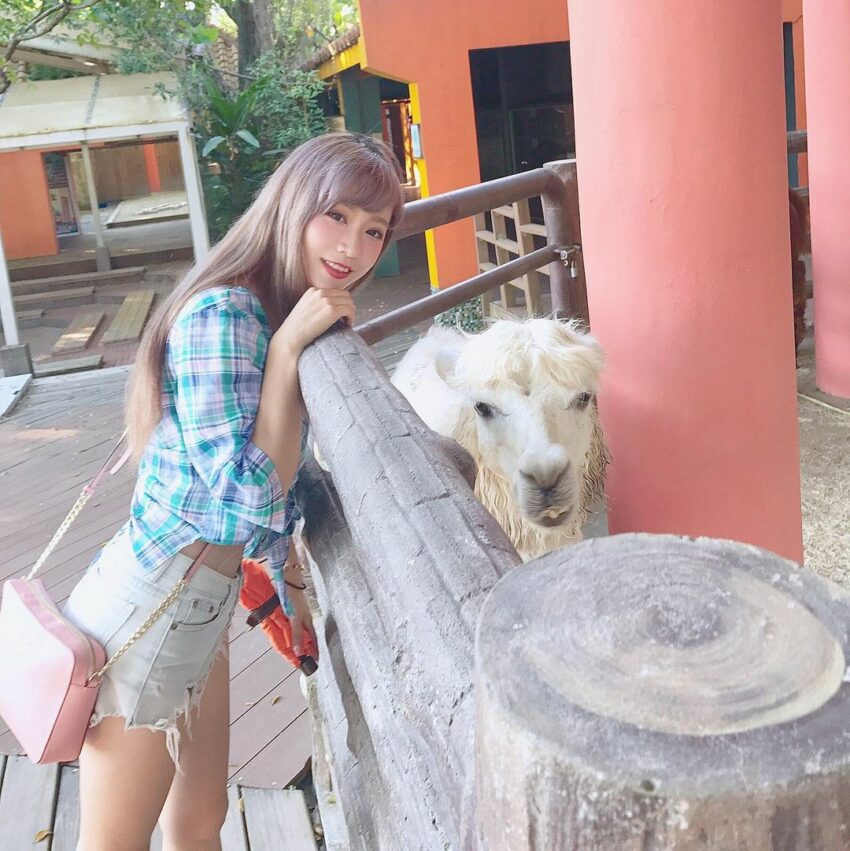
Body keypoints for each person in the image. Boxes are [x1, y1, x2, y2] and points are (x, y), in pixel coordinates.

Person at [62, 132, 404, 851]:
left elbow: (269, 497)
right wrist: (286, 353)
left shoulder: (270, 304)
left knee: (199, 822)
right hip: (149, 609)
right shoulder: (226, 314)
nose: (353, 247)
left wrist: (285, 583)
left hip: (195, 606)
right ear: (293, 204)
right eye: (337, 216)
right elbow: (250, 498)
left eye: (375, 230)